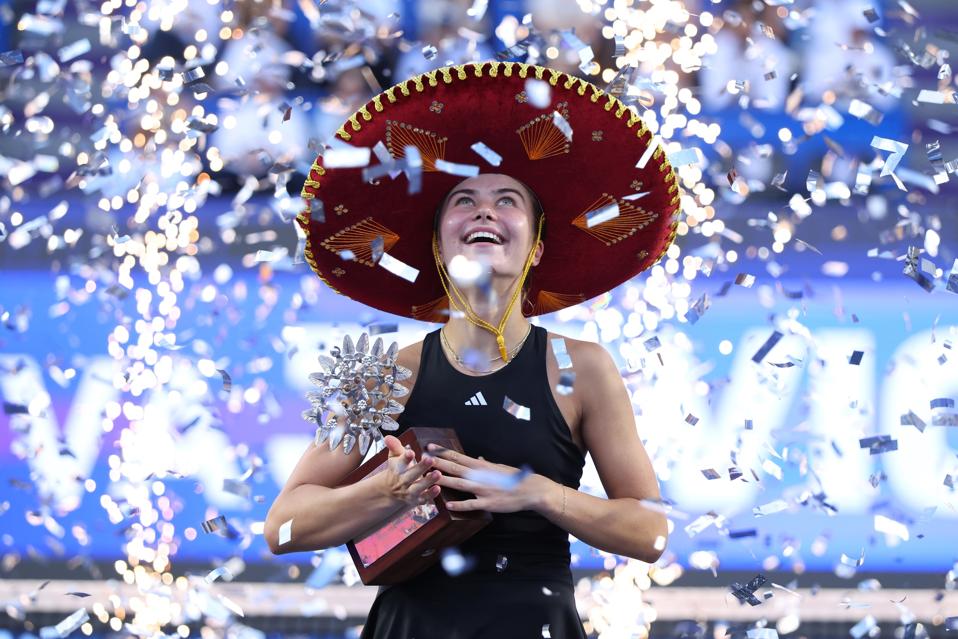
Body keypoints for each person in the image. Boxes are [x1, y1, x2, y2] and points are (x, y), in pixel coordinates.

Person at [264, 60, 682, 638]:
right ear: (439, 246)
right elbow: (283, 527)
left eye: (508, 200)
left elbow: (651, 534)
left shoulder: (583, 368)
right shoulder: (386, 373)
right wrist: (382, 490)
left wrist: (534, 492)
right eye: (464, 200)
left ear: (536, 248)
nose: (485, 209)